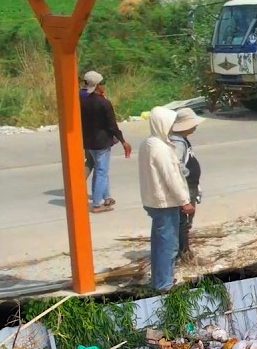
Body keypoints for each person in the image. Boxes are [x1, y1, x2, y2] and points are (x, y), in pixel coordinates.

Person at [139, 106, 194, 292]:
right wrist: (184, 201)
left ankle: (159, 280)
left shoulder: (148, 143)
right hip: (164, 202)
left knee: (158, 244)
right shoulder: (160, 149)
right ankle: (164, 284)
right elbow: (171, 178)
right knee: (168, 245)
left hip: (152, 200)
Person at [79, 71, 131, 213]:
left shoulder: (82, 100)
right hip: (101, 142)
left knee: (99, 168)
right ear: (97, 85)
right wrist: (123, 141)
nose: (104, 86)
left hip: (88, 141)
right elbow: (112, 125)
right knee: (101, 171)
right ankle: (97, 204)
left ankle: (106, 197)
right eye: (102, 83)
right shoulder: (104, 103)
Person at [169, 107, 205, 265]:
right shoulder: (178, 142)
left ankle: (184, 250)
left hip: (191, 185)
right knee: (184, 220)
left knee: (186, 220)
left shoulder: (182, 140)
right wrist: (188, 174)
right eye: (192, 124)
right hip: (186, 186)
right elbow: (176, 164)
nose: (195, 126)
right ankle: (183, 252)